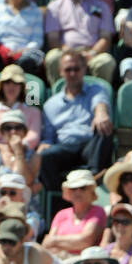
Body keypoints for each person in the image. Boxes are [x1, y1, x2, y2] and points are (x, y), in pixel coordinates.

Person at [37, 50, 114, 193]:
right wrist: (44, 145)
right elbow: (48, 138)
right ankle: (58, 198)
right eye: (68, 69)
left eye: (76, 69)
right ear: (60, 72)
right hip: (65, 147)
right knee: (43, 157)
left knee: (104, 127)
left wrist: (101, 113)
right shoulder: (50, 105)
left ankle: (92, 182)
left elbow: (101, 104)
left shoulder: (96, 90)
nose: (72, 73)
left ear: (84, 69)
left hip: (90, 144)